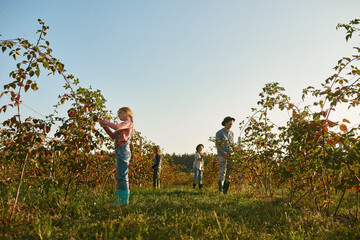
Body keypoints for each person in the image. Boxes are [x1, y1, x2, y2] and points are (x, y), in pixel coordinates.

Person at [99, 107, 134, 205]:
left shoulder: (127, 123)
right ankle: (120, 199)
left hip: (123, 152)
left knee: (122, 175)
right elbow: (112, 136)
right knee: (119, 175)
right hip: (120, 152)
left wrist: (105, 122)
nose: (118, 116)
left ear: (126, 113)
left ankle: (123, 201)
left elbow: (117, 127)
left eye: (120, 113)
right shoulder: (123, 126)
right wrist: (104, 126)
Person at [215, 116, 235, 194]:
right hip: (222, 155)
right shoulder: (219, 132)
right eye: (230, 124)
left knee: (229, 173)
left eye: (232, 124)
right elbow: (217, 145)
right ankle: (220, 191)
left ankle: (225, 191)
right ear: (225, 123)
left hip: (231, 155)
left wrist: (237, 151)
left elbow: (232, 144)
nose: (231, 126)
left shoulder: (232, 133)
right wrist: (223, 153)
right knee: (222, 172)